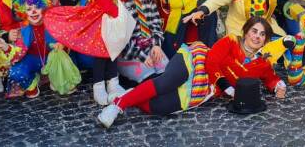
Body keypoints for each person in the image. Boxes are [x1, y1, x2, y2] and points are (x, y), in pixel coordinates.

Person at [97, 16, 285, 128]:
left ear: (266, 40)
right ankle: (118, 105)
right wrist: (224, 85)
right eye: (254, 31)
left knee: (158, 107)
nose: (257, 37)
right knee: (167, 82)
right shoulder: (230, 41)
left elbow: (271, 78)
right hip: (197, 61)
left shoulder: (262, 63)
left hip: (204, 88)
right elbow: (212, 60)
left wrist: (278, 86)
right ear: (246, 32)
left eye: (262, 35)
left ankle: (132, 94)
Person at [116, 0, 166, 83]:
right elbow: (120, 36)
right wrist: (141, 55)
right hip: (130, 52)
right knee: (152, 80)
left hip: (149, 45)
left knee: (167, 74)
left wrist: (156, 45)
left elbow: (155, 23)